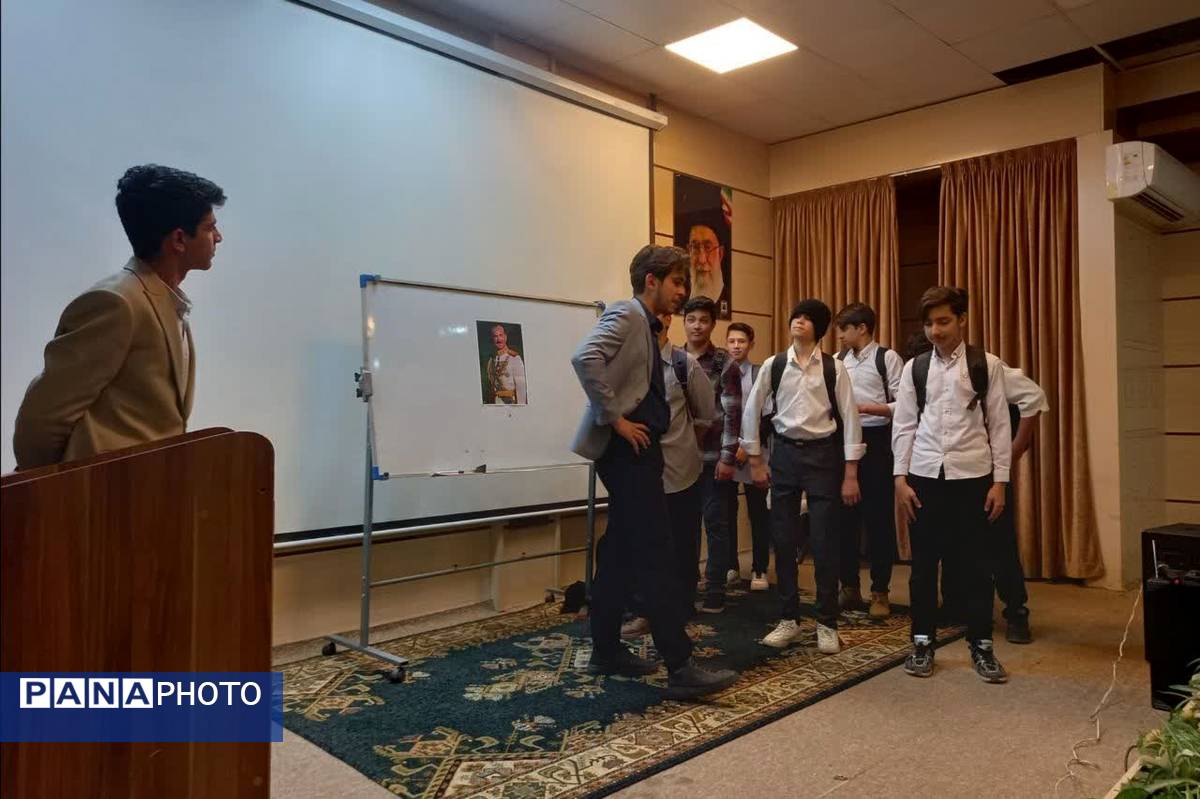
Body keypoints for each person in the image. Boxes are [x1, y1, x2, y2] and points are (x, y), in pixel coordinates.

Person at [570, 244, 737, 699]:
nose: (682, 292)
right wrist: (616, 419)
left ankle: (605, 650)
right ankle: (680, 665)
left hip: (639, 455)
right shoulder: (628, 313)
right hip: (629, 455)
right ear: (651, 281)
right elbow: (584, 357)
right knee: (658, 555)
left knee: (620, 555)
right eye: (677, 282)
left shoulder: (645, 323)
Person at [14, 164, 225, 469]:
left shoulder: (166, 300)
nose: (218, 237)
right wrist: (51, 486)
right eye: (209, 227)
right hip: (98, 493)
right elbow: (42, 419)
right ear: (179, 239)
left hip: (148, 490)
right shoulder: (116, 303)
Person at [893, 286, 1011, 684]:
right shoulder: (915, 368)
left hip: (973, 476)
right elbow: (904, 424)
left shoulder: (986, 364)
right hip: (925, 476)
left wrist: (1000, 481)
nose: (936, 330)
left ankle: (982, 645)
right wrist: (900, 478)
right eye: (929, 323)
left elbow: (999, 425)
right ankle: (922, 643)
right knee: (923, 567)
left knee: (977, 566)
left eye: (943, 321)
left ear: (962, 319)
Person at [741, 299, 864, 654]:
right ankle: (789, 619)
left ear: (819, 328)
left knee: (824, 539)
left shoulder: (834, 368)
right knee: (783, 537)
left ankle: (827, 622)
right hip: (784, 453)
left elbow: (851, 419)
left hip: (823, 455)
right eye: (796, 315)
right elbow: (752, 410)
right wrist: (755, 460)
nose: (799, 321)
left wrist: (851, 473)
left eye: (808, 318)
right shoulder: (775, 364)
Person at [621, 312, 717, 637]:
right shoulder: (629, 363)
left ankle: (681, 607)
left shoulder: (683, 364)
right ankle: (643, 610)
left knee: (682, 543)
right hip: (639, 469)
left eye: (662, 315)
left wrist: (685, 444)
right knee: (641, 544)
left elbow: (705, 414)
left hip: (680, 470)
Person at [833, 303, 904, 618]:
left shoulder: (886, 358)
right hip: (844, 441)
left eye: (844, 329)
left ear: (861, 328)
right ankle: (849, 587)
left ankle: (880, 591)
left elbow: (904, 403)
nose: (840, 336)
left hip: (877, 442)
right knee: (844, 521)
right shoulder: (838, 361)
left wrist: (866, 408)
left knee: (878, 521)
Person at [681, 296, 736, 613]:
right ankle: (686, 588)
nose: (697, 326)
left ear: (713, 324)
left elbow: (732, 414)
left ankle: (715, 588)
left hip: (713, 458)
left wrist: (728, 457)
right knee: (683, 528)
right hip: (679, 460)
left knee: (716, 525)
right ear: (684, 322)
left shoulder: (722, 362)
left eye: (703, 320)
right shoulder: (673, 358)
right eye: (691, 320)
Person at [717, 322, 773, 592]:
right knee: (726, 511)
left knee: (758, 512)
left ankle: (759, 567)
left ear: (751, 344)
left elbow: (768, 415)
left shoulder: (760, 373)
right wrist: (730, 448)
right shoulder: (720, 372)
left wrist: (747, 446)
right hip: (726, 452)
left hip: (755, 453)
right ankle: (731, 565)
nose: (736, 346)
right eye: (731, 341)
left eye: (741, 341)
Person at [685, 223, 728, 318]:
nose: (702, 259)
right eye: (695, 248)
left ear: (720, 254)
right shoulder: (679, 303)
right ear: (688, 252)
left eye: (708, 248)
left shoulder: (728, 300)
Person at [484, 323, 527, 405]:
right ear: (492, 339)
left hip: (510, 403)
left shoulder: (514, 358)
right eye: (495, 336)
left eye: (501, 335)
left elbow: (521, 386)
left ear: (505, 337)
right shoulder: (491, 360)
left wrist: (521, 407)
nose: (498, 339)